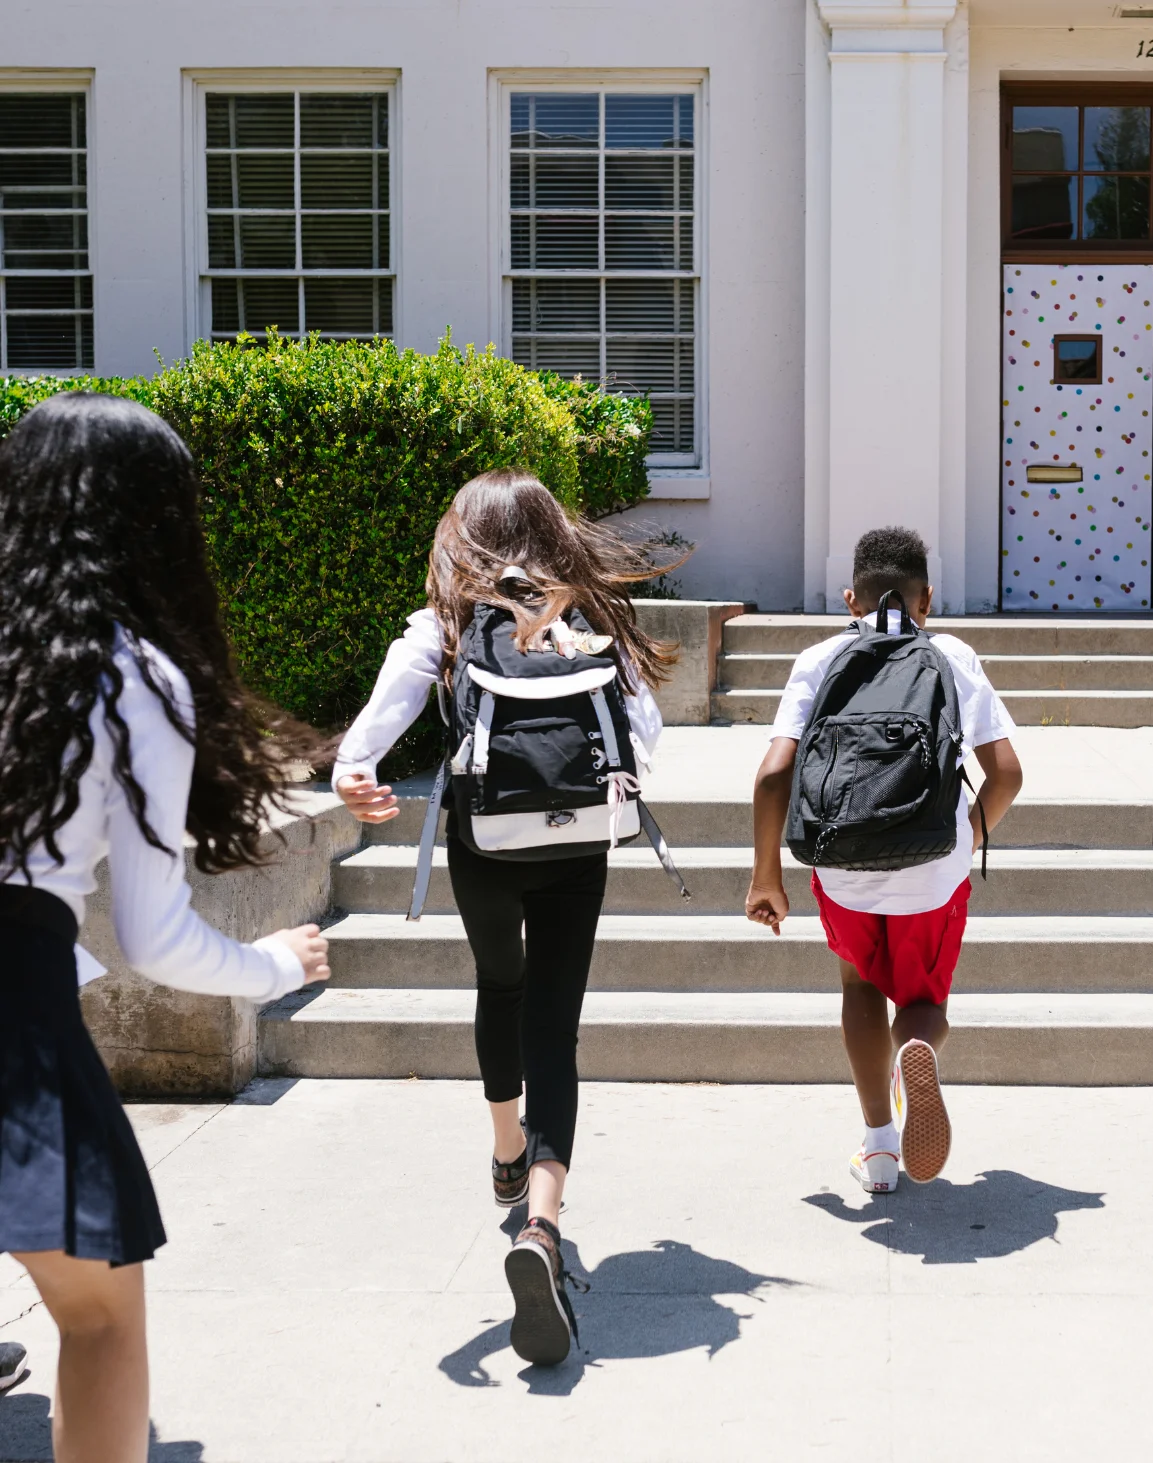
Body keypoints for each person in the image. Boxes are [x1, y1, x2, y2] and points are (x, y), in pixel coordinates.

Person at [0, 393, 331, 1463]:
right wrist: (270, 964)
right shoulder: (131, 675)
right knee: (97, 1319)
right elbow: (156, 937)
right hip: (15, 1012)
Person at [333, 469, 674, 1364]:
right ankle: (543, 1228)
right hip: (578, 843)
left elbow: (376, 725)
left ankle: (505, 1146)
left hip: (484, 840)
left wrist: (355, 774)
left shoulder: (443, 623)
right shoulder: (594, 618)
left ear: (464, 535)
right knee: (555, 1026)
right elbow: (643, 740)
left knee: (501, 987)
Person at [745, 527, 1022, 1192]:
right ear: (927, 597)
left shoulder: (819, 657)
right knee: (922, 1000)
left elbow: (773, 774)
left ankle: (877, 1148)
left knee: (858, 987)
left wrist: (766, 878)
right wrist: (971, 833)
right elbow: (1007, 773)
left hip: (842, 863)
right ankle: (917, 1048)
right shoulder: (951, 654)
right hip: (934, 867)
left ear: (850, 598)